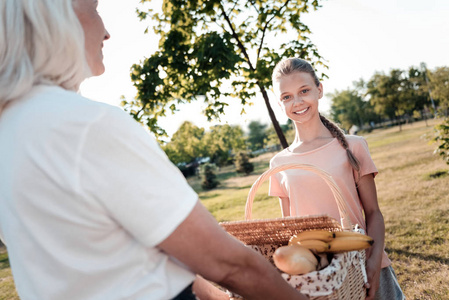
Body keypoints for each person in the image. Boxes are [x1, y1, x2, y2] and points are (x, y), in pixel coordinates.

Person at [0, 1, 309, 299]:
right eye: (94, 9)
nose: (107, 31)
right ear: (56, 16)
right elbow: (229, 264)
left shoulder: (10, 132)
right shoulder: (85, 124)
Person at [269, 58, 405, 300]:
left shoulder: (353, 146)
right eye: (287, 97)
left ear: (319, 90)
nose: (297, 102)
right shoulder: (279, 164)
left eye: (304, 91)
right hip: (319, 279)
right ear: (280, 103)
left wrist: (373, 265)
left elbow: (374, 213)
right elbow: (289, 229)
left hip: (363, 266)